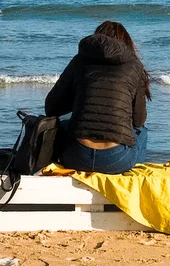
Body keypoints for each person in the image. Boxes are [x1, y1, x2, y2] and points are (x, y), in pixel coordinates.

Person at [45, 20, 151, 174]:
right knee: (142, 131)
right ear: (127, 41)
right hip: (117, 159)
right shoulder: (135, 65)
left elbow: (51, 108)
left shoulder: (79, 61)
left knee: (64, 125)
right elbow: (138, 121)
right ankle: (133, 177)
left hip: (76, 156)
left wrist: (81, 98)